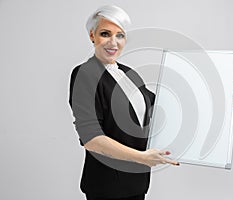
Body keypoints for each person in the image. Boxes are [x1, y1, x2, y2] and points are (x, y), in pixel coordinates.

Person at [68, 5, 179, 200]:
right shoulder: (85, 74)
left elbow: (162, 107)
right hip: (106, 186)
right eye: (105, 34)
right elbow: (91, 139)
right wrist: (142, 158)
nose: (113, 42)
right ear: (92, 36)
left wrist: (226, 101)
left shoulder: (128, 73)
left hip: (136, 183)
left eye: (120, 35)